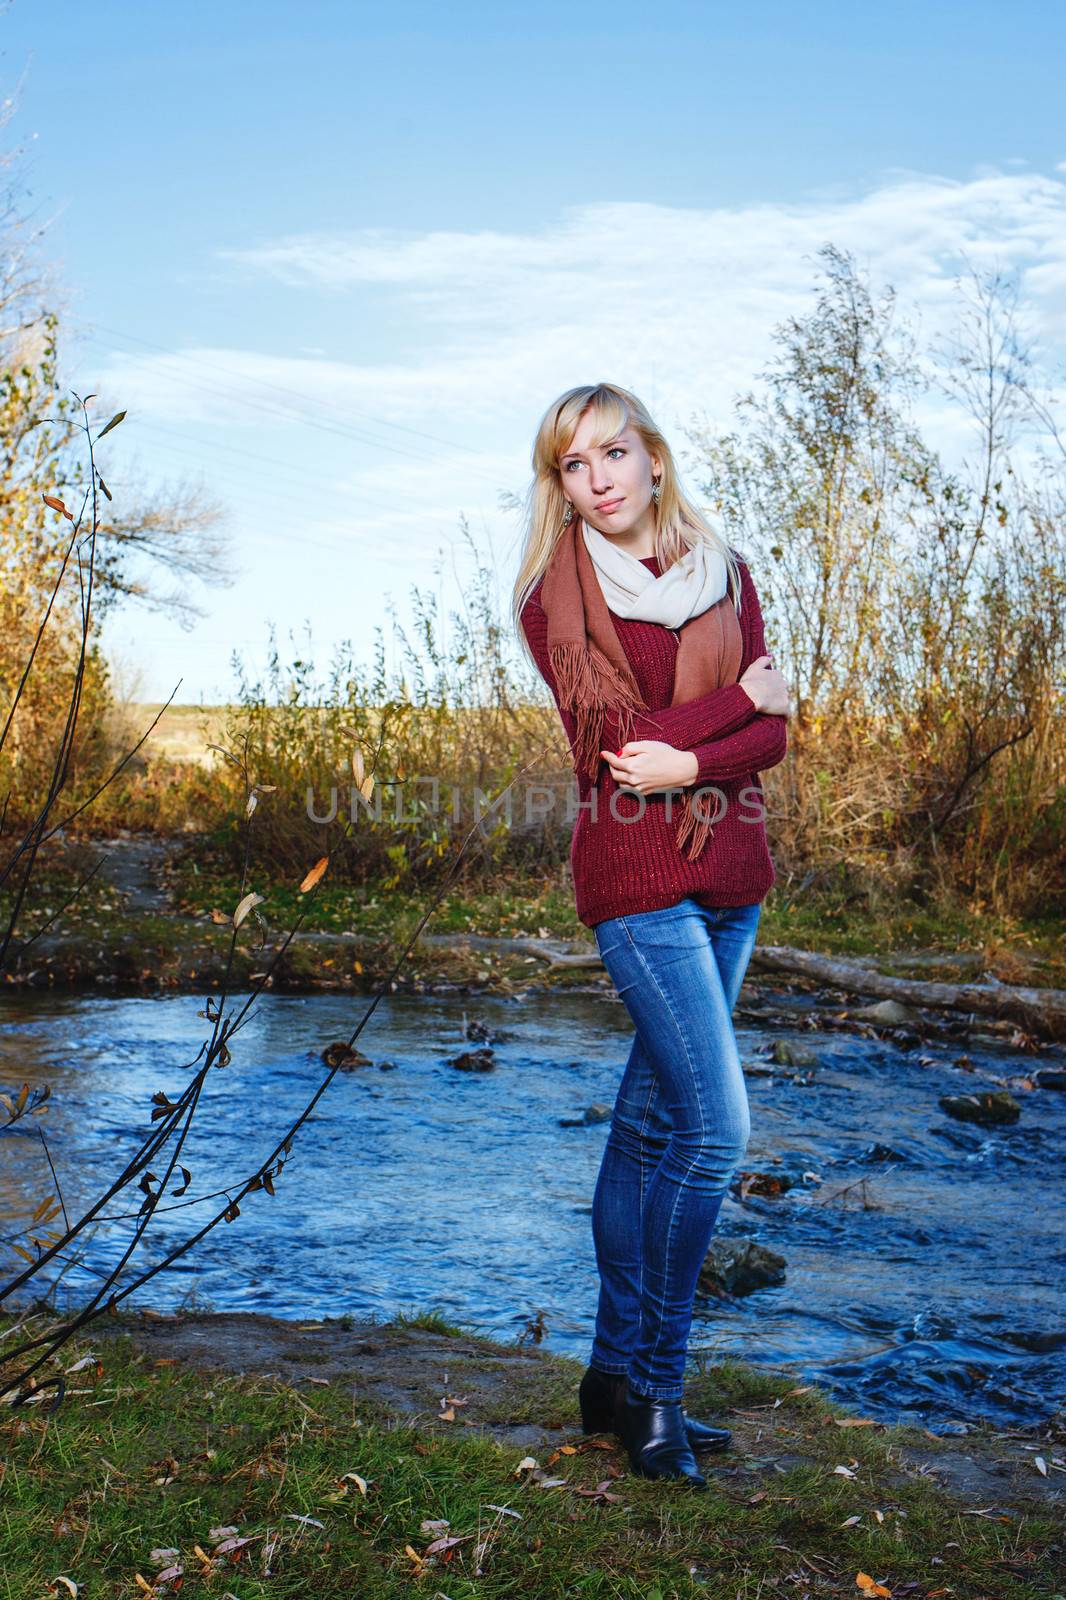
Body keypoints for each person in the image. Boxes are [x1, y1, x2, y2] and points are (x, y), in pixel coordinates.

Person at [512, 381, 791, 1489]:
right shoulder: (553, 601)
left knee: (643, 1131)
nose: (599, 479)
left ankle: (610, 1379)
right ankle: (662, 1391)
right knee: (714, 1133)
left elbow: (776, 734)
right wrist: (718, 720)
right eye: (574, 466)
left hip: (735, 877)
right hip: (633, 882)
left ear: (655, 459)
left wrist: (705, 750)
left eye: (614, 453)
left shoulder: (730, 573)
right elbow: (619, 751)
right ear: (562, 485)